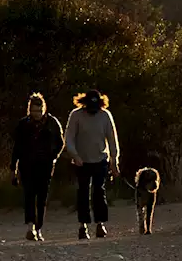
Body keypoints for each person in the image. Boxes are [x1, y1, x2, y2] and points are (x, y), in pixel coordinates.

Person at [64, 88, 120, 240]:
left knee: (99, 191)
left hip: (100, 159)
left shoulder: (105, 116)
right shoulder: (76, 115)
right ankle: (83, 225)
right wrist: (74, 155)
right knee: (82, 192)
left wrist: (114, 161)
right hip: (81, 161)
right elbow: (69, 138)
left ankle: (100, 223)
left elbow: (112, 139)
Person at [11, 92, 64, 241]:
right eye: (34, 111)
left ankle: (39, 227)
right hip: (27, 164)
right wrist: (13, 168)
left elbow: (60, 142)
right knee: (29, 195)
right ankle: (30, 226)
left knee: (42, 197)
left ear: (44, 109)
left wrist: (53, 156)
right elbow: (17, 147)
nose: (37, 114)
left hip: (45, 165)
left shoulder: (52, 123)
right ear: (30, 110)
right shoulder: (23, 124)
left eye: (39, 111)